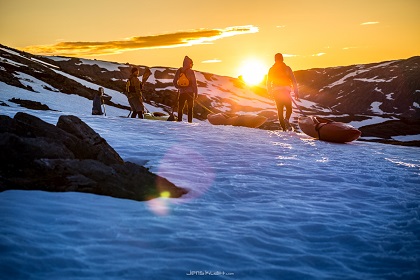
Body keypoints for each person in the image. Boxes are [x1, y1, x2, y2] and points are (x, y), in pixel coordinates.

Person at [266, 53, 300, 131]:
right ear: (282, 59)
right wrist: (296, 91)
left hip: (276, 91)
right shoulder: (287, 68)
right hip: (286, 91)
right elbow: (293, 80)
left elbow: (268, 82)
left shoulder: (271, 69)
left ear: (275, 59)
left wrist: (270, 91)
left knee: (280, 110)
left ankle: (284, 129)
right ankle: (287, 119)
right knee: (289, 108)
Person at [173, 56, 198, 123]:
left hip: (182, 92)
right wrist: (196, 93)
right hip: (190, 93)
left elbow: (174, 82)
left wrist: (179, 87)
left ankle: (179, 120)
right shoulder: (191, 71)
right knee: (190, 108)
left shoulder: (179, 71)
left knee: (180, 107)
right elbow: (194, 83)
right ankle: (190, 122)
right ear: (189, 63)